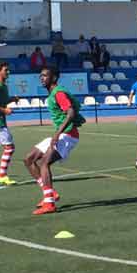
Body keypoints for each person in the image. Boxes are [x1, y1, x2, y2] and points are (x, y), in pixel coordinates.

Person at [25, 67, 85, 215]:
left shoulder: (58, 93)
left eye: (45, 75)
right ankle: (50, 194)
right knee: (29, 159)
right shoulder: (53, 93)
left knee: (44, 163)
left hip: (68, 135)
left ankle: (49, 203)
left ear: (54, 78)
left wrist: (57, 134)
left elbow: (70, 112)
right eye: (41, 75)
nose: (42, 78)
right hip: (61, 134)